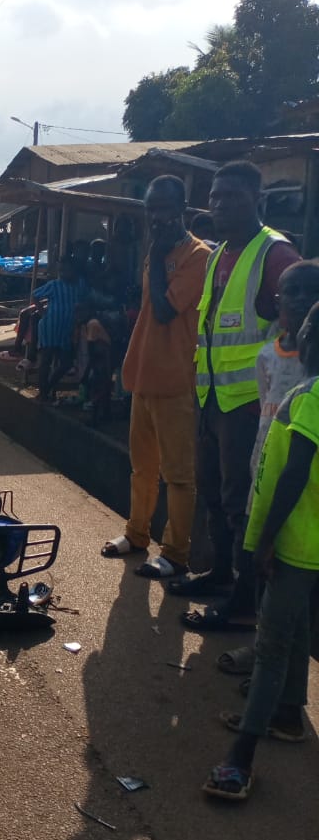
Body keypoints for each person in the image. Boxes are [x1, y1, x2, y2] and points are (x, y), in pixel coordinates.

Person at [170, 160, 301, 623]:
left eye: (231, 197)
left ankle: (245, 602)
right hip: (213, 399)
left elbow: (304, 315)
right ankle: (221, 573)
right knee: (213, 490)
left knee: (241, 500)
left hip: (253, 406)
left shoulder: (274, 254)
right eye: (214, 198)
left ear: (257, 201)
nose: (219, 206)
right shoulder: (220, 254)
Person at [202, 298, 319, 802]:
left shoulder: (311, 398)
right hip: (304, 542)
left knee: (271, 644)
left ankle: (241, 759)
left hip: (295, 542)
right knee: (295, 629)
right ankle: (288, 713)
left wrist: (265, 540)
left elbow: (292, 476)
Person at [101, 176, 210, 577]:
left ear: (181, 208)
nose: (156, 217)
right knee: (142, 467)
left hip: (177, 380)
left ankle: (176, 553)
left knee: (178, 475)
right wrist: (157, 253)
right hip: (143, 375)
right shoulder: (155, 252)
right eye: (151, 208)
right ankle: (136, 534)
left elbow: (166, 311)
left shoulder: (198, 256)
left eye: (164, 208)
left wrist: (161, 252)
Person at [31, 254, 87, 402]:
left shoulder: (80, 284)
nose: (63, 274)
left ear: (74, 270)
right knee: (46, 360)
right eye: (61, 270)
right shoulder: (54, 285)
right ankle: (43, 393)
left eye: (66, 270)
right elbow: (35, 295)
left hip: (67, 329)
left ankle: (48, 387)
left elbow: (83, 301)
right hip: (50, 327)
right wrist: (43, 313)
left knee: (66, 362)